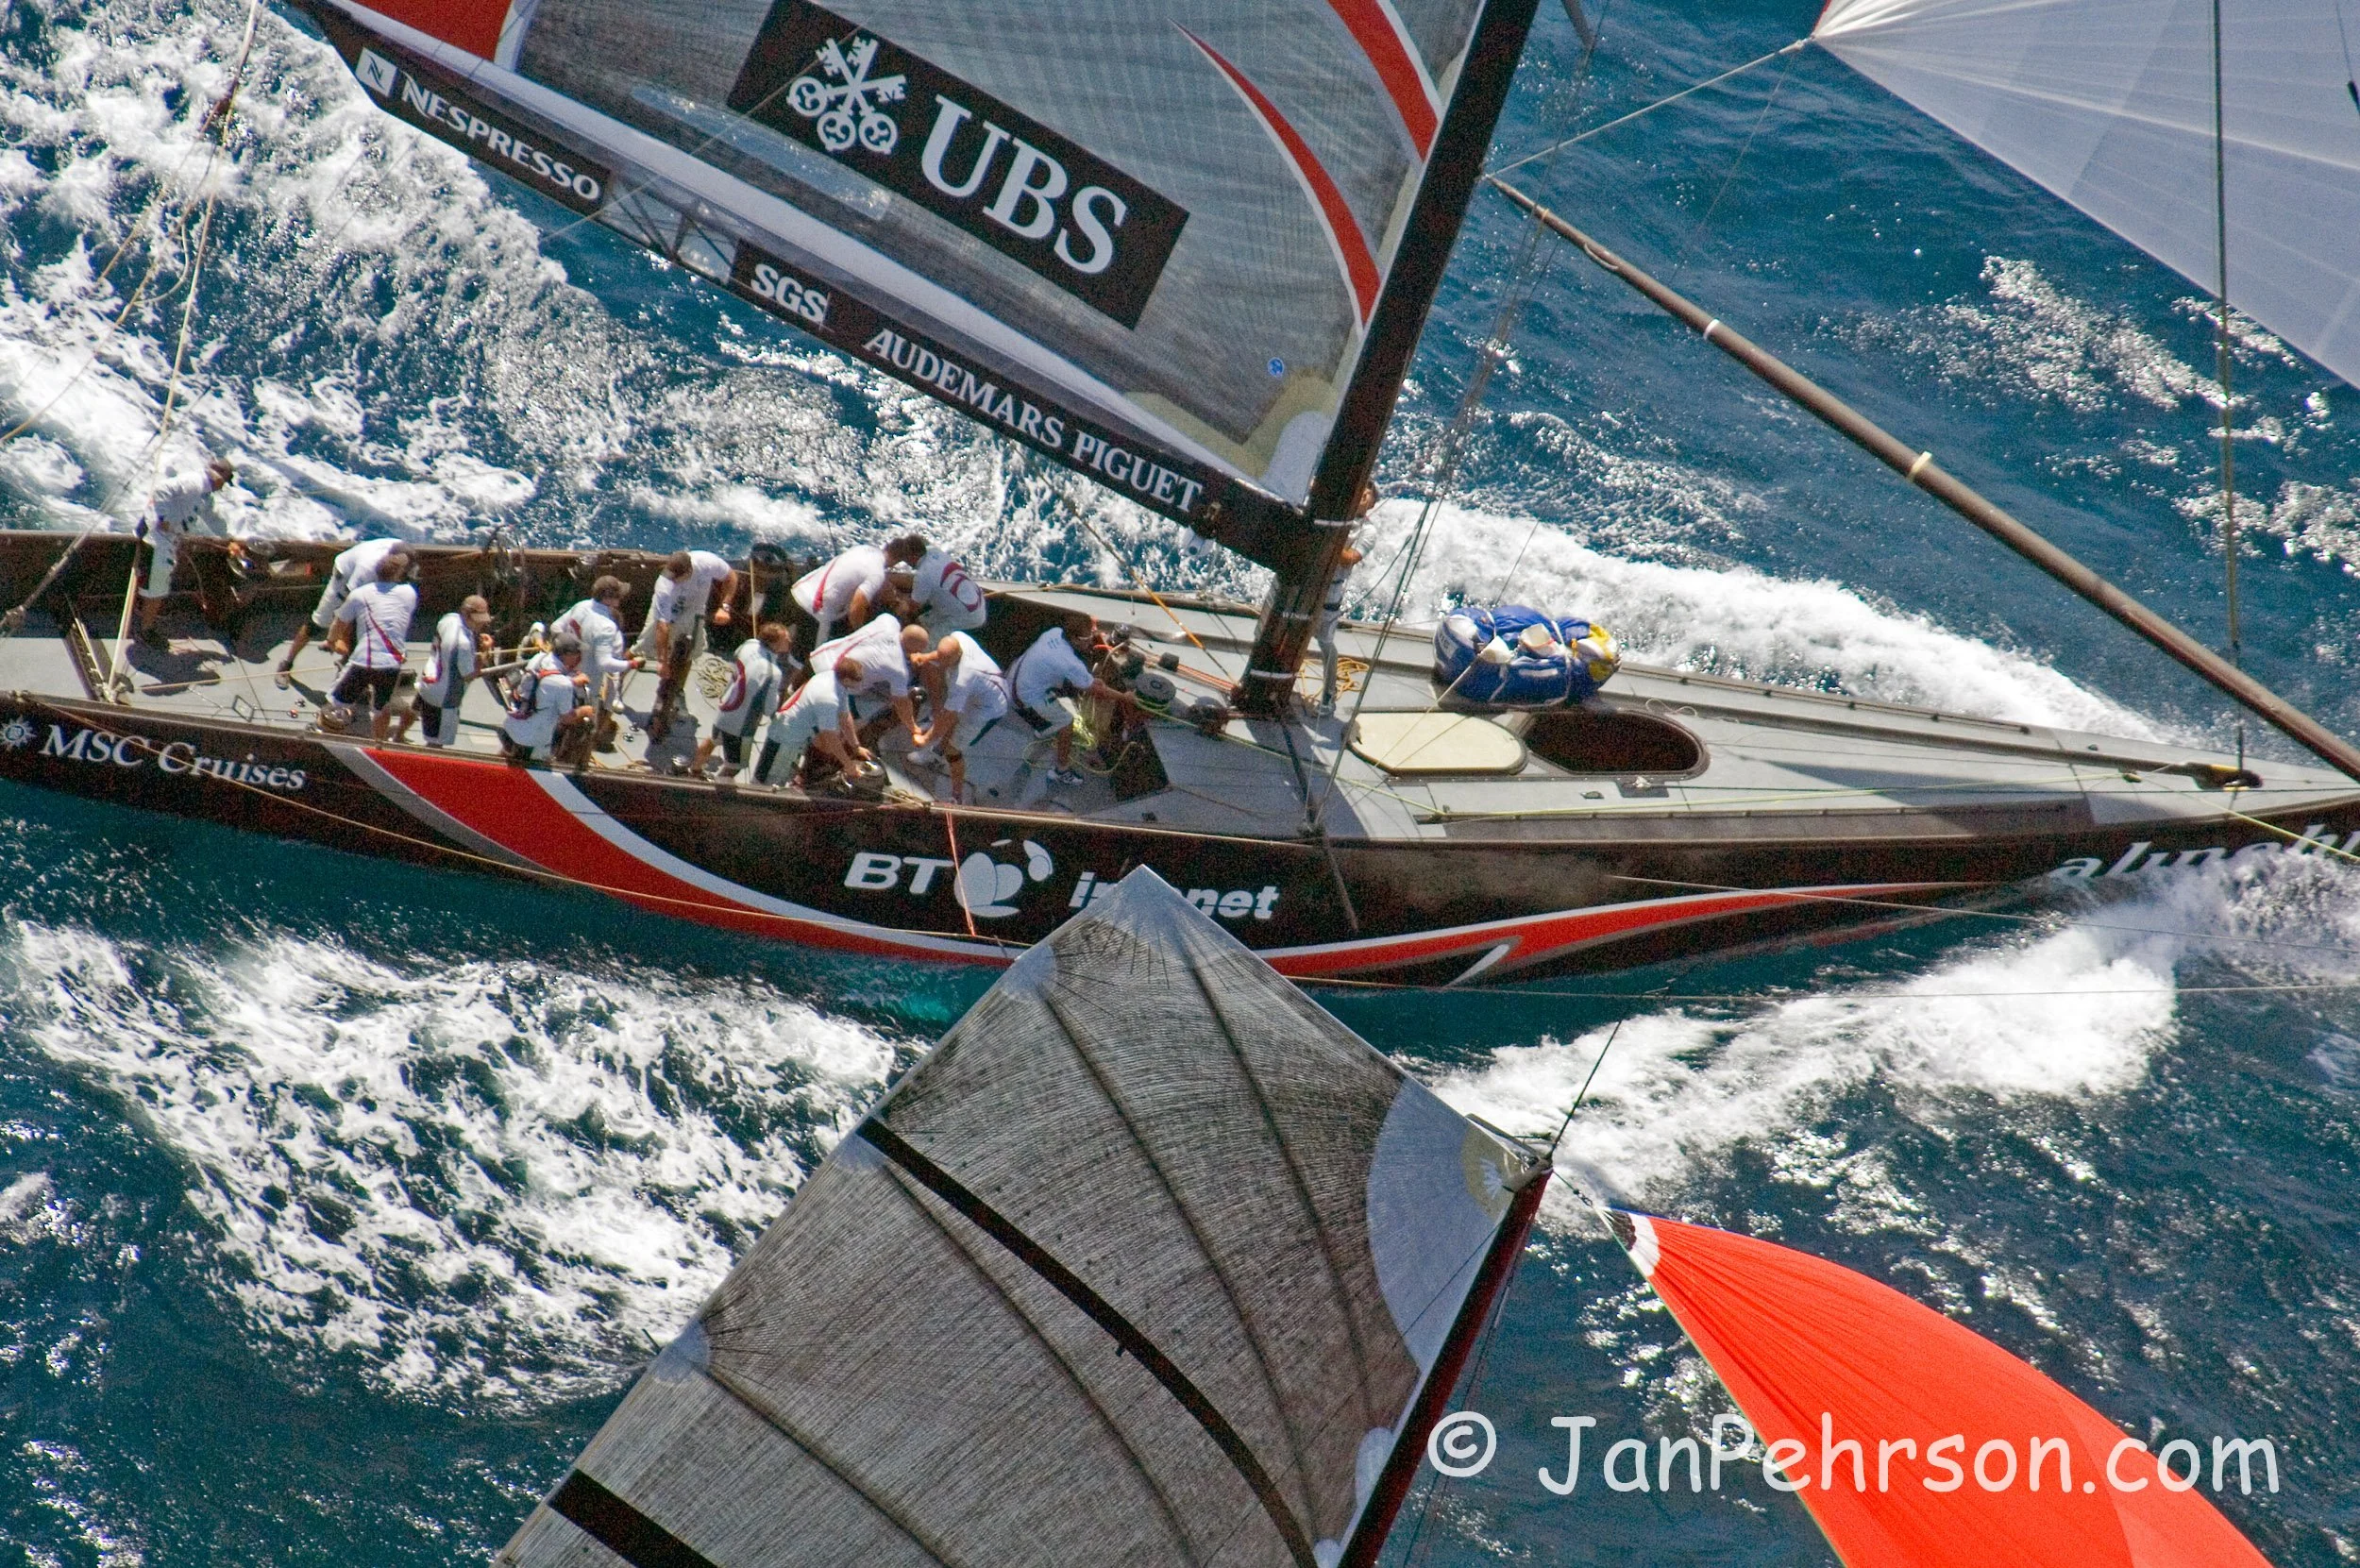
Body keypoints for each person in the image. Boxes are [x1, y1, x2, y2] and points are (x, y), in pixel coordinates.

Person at [1006, 613, 1129, 788]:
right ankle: (1060, 770)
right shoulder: (1070, 662)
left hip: (1014, 676)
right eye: (1087, 638)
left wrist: (1090, 681)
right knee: (1066, 723)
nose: (1090, 642)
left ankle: (1045, 728)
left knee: (1054, 700)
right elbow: (1096, 690)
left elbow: (1085, 681)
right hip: (1021, 698)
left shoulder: (1055, 632)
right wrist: (1125, 697)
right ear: (1074, 638)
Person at [278, 536, 406, 687]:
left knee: (362, 633)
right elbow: (348, 602)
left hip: (371, 585)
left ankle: (347, 665)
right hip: (344, 580)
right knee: (317, 624)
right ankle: (286, 664)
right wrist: (339, 638)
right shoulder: (366, 569)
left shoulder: (405, 555)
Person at [639, 549, 738, 741]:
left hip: (693, 612)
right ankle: (617, 683)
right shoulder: (664, 586)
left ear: (689, 570)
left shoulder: (707, 562)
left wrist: (724, 606)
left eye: (678, 578)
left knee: (689, 654)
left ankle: (678, 691)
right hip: (668, 614)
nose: (673, 581)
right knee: (641, 648)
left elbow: (731, 577)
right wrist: (663, 662)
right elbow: (663, 627)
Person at [136, 455, 234, 647]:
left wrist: (228, 539)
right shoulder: (193, 483)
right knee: (156, 591)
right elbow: (161, 490)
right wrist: (163, 517)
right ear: (218, 477)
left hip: (169, 541)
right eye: (224, 482)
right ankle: (146, 631)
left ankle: (145, 615)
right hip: (158, 541)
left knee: (157, 587)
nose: (223, 487)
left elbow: (212, 517)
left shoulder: (205, 494)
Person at [326, 550, 420, 741]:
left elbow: (340, 622)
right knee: (381, 707)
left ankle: (328, 734)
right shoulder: (410, 593)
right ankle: (379, 742)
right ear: (400, 575)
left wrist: (331, 641)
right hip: (391, 663)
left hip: (364, 661)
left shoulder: (359, 595)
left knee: (335, 701)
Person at [907, 628, 1007, 801]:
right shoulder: (958, 637)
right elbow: (941, 655)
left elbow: (948, 716)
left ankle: (956, 795)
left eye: (946, 662)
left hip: (987, 709)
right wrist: (925, 658)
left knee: (953, 751)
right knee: (950, 725)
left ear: (958, 655)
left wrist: (926, 739)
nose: (942, 665)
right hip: (977, 693)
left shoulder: (962, 680)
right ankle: (934, 755)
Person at [694, 622, 797, 779]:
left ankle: (694, 770)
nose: (790, 641)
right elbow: (769, 709)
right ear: (774, 643)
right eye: (786, 638)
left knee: (713, 739)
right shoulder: (772, 673)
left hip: (725, 708)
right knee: (735, 766)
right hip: (741, 726)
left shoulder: (748, 645)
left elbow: (736, 656)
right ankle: (717, 789)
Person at [808, 613, 925, 744]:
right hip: (833, 681)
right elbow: (901, 702)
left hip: (819, 658)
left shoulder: (888, 620)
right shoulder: (898, 669)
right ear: (914, 650)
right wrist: (914, 728)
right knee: (846, 725)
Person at [396, 594, 494, 748]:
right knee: (436, 743)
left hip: (429, 679)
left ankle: (398, 735)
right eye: (478, 621)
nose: (481, 625)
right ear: (466, 614)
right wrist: (485, 653)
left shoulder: (449, 619)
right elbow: (469, 675)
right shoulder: (462, 644)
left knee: (415, 707)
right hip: (443, 697)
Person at [791, 535, 925, 646]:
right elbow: (857, 606)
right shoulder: (877, 573)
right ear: (897, 561)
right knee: (809, 663)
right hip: (815, 609)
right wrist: (859, 634)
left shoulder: (863, 549)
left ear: (886, 546)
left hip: (800, 589)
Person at [554, 575, 641, 736]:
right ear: (609, 599)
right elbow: (604, 664)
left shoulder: (581, 606)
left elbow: (555, 628)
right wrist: (631, 664)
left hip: (564, 672)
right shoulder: (606, 626)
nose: (620, 599)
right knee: (583, 731)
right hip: (586, 685)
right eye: (617, 596)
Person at [758, 660, 865, 787]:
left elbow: (845, 716)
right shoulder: (828, 698)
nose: (861, 683)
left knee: (785, 776)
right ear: (847, 680)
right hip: (784, 737)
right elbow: (830, 737)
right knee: (769, 781)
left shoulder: (833, 678)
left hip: (797, 737)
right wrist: (849, 765)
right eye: (858, 680)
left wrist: (856, 747)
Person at [501, 632, 593, 764]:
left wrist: (572, 681)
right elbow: (567, 718)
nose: (579, 656)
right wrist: (586, 710)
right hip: (530, 741)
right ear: (567, 655)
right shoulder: (562, 684)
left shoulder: (539, 658)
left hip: (511, 727)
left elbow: (545, 683)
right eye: (577, 653)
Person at [894, 535, 987, 637]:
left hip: (970, 617)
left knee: (927, 643)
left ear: (913, 556)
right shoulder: (934, 551)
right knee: (923, 621)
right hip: (978, 600)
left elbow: (913, 607)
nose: (905, 561)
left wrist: (897, 601)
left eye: (905, 558)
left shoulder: (923, 575)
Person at [1313, 537, 1365, 716]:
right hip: (1310, 581)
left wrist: (1331, 537)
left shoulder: (1367, 531)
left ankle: (1329, 693)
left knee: (1324, 641)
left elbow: (1349, 559)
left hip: (1331, 592)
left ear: (1372, 505)